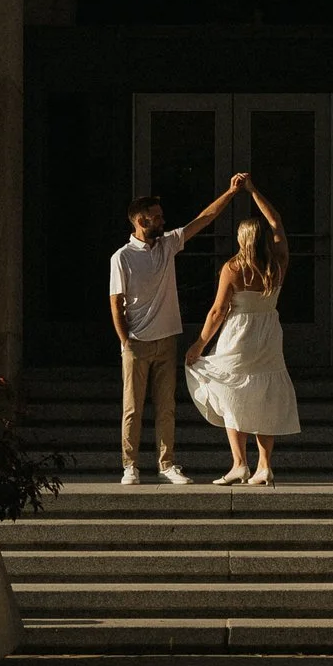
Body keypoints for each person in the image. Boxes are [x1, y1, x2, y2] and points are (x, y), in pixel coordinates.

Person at [109, 174, 241, 484]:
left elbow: (204, 219)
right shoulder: (122, 257)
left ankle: (166, 464)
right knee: (133, 408)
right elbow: (116, 303)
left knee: (166, 406)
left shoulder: (168, 244)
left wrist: (231, 192)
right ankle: (130, 465)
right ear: (142, 220)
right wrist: (124, 341)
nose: (162, 220)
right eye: (157, 217)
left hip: (167, 339)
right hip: (137, 343)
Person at [183, 175, 301, 485]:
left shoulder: (233, 268)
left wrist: (199, 344)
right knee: (265, 395)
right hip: (268, 334)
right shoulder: (278, 263)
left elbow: (218, 311)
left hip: (239, 335)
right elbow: (275, 221)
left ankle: (240, 463)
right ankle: (264, 465)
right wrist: (253, 190)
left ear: (242, 239)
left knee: (232, 392)